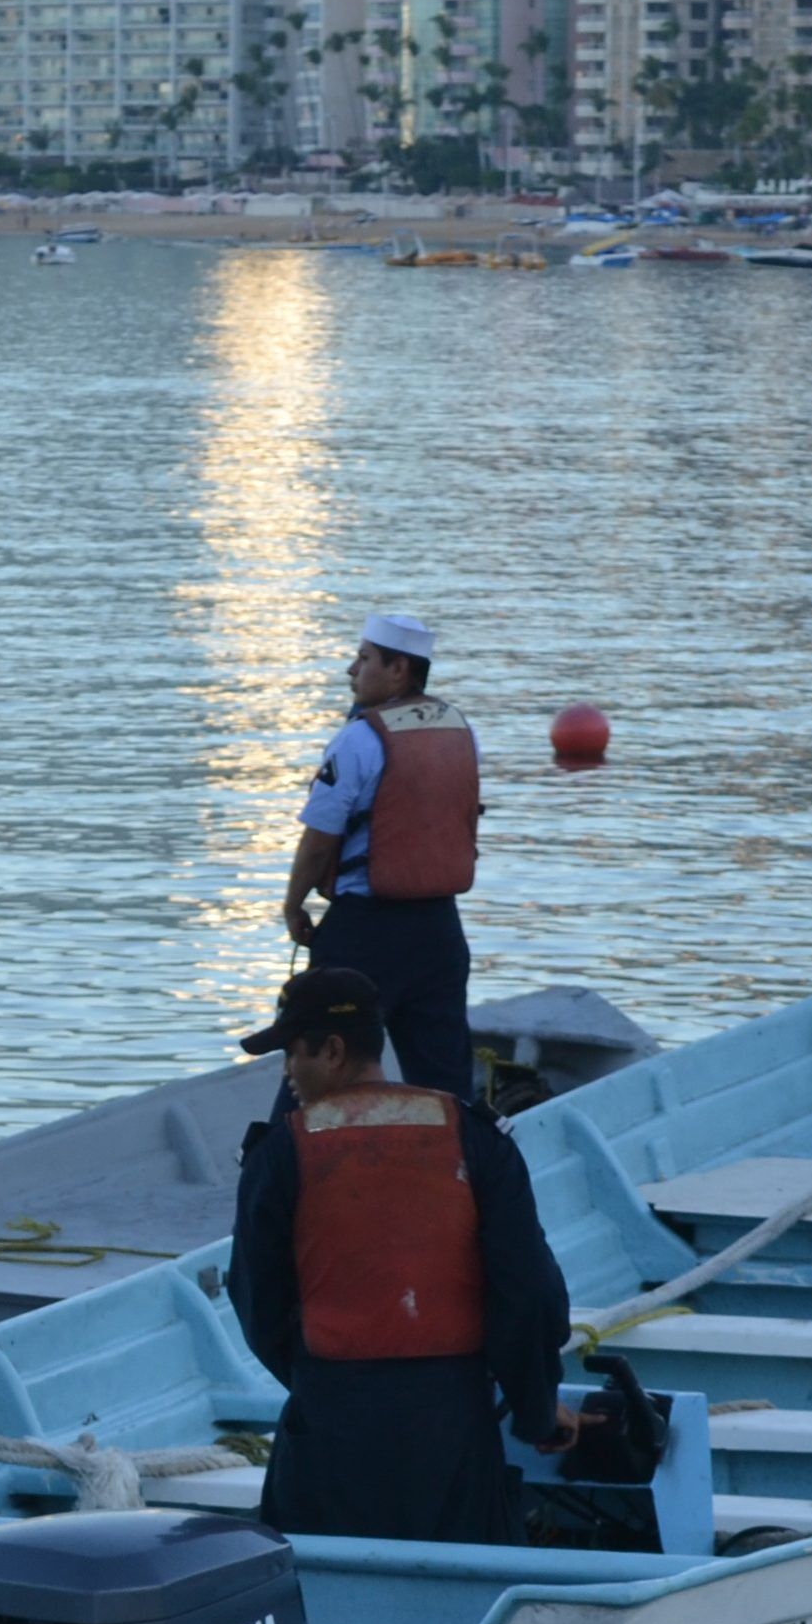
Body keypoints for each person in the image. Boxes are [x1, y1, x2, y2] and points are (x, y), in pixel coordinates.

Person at [224, 967, 576, 1544]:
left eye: (293, 1053)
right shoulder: (475, 1135)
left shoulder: (281, 1151)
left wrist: (320, 1383)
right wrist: (536, 1409)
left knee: (317, 1587)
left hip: (330, 1428)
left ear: (333, 1050)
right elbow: (528, 1292)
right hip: (453, 1424)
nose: (287, 1072)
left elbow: (258, 1303)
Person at [279, 612, 481, 1105]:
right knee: (444, 1080)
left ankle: (283, 1166)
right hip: (440, 934)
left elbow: (320, 837)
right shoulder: (458, 730)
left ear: (399, 670)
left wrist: (294, 902)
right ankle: (460, 1170)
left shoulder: (359, 739)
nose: (351, 670)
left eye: (364, 659)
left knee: (316, 1064)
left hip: (364, 934)